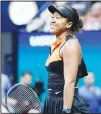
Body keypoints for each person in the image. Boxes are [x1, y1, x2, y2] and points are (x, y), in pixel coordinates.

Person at [43, 4, 89, 113]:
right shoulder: (54, 45)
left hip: (67, 104)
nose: (52, 20)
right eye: (52, 17)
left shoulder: (71, 44)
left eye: (57, 18)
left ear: (69, 24)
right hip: (52, 102)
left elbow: (70, 82)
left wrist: (66, 110)